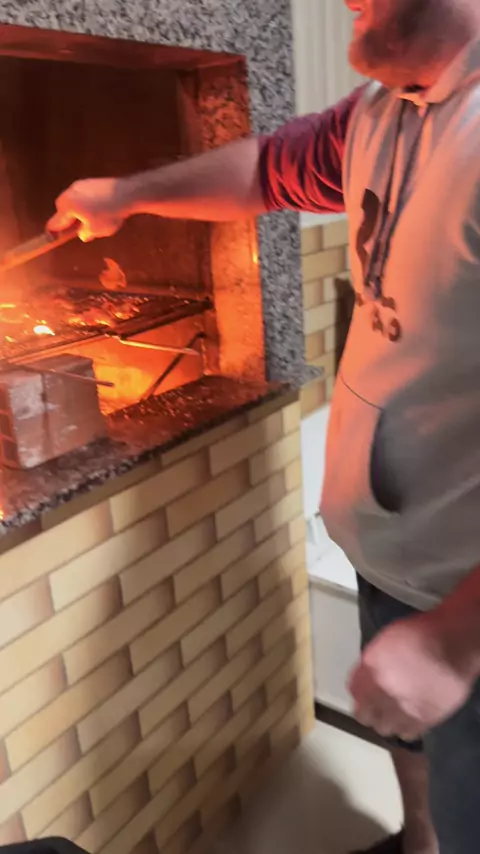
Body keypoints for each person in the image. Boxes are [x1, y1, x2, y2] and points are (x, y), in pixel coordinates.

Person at [49, 1, 480, 852]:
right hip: (393, 544)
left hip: (463, 594)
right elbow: (266, 170)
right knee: (410, 751)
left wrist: (456, 641)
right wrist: (128, 196)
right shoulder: (384, 110)